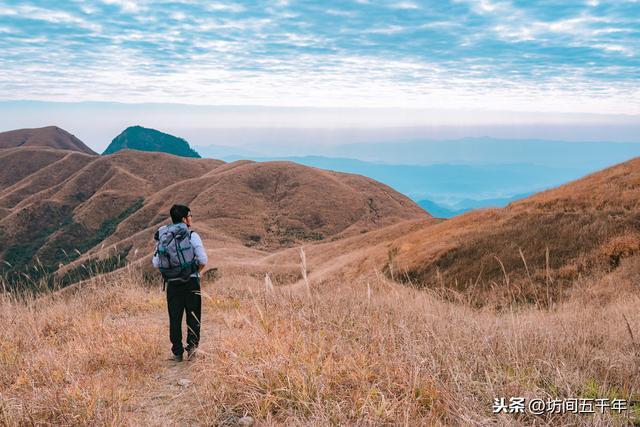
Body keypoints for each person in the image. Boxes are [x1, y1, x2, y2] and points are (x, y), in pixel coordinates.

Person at [152, 204, 207, 362]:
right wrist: (195, 272)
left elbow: (156, 263)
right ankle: (192, 349)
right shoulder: (191, 235)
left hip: (173, 284)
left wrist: (171, 273)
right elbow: (203, 259)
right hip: (191, 281)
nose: (191, 218)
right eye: (190, 216)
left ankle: (177, 352)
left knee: (175, 318)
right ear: (184, 219)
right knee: (193, 316)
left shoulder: (164, 236)